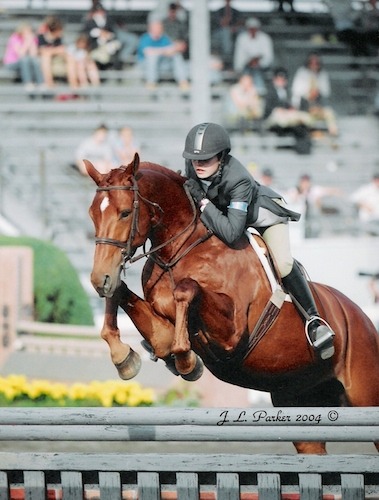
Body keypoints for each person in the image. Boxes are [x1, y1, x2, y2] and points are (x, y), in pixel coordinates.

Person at [183, 122, 335, 360]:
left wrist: (203, 202)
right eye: (194, 159)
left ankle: (315, 321)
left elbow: (233, 232)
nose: (198, 165)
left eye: (206, 159)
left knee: (283, 264)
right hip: (226, 216)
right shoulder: (193, 166)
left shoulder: (238, 179)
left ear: (221, 156)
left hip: (263, 218)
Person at [264, 67, 313, 155]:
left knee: (300, 126)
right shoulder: (270, 92)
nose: (281, 81)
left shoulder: (288, 92)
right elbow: (267, 109)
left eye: (283, 79)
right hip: (275, 120)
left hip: (288, 119)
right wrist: (278, 109)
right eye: (279, 79)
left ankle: (303, 148)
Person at [291, 53, 339, 137]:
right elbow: (296, 92)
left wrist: (317, 91)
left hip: (318, 106)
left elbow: (326, 92)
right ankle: (310, 135)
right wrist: (308, 93)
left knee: (329, 113)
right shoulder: (302, 73)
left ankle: (334, 134)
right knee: (305, 119)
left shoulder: (322, 74)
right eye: (311, 63)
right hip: (305, 106)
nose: (314, 65)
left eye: (316, 63)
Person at [137, 18, 189, 90]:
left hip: (162, 64)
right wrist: (164, 51)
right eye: (156, 28)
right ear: (150, 29)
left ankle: (183, 82)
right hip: (146, 64)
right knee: (152, 57)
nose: (158, 30)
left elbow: (172, 50)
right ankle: (151, 82)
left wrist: (171, 49)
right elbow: (148, 52)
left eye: (159, 28)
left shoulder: (164, 38)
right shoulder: (145, 38)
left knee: (176, 56)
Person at [285, 173, 341, 238]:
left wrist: (336, 191)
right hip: (299, 217)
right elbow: (289, 198)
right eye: (303, 182)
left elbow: (325, 191)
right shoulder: (294, 191)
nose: (305, 184)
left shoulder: (313, 190)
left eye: (307, 182)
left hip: (311, 215)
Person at [82, 3, 138, 69]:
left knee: (114, 50)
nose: (100, 13)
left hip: (108, 47)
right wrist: (98, 33)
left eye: (101, 11)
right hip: (95, 48)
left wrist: (107, 35)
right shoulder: (90, 23)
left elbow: (113, 33)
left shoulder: (109, 21)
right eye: (98, 11)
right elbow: (86, 35)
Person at [233, 17, 274, 96]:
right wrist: (246, 64)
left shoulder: (265, 38)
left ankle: (259, 91)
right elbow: (239, 56)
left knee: (256, 71)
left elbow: (268, 56)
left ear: (258, 29)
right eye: (250, 29)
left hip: (262, 66)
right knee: (247, 72)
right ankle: (247, 91)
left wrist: (258, 62)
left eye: (254, 29)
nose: (252, 31)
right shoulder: (242, 38)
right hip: (247, 65)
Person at [3, 22, 44, 91]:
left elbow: (33, 55)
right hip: (12, 63)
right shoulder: (15, 37)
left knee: (35, 60)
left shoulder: (32, 39)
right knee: (25, 59)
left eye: (30, 31)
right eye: (27, 31)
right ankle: (28, 83)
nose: (29, 33)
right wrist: (27, 42)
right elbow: (21, 54)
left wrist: (31, 42)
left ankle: (41, 83)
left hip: (27, 63)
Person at [37, 15, 76, 88]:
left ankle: (74, 85)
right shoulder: (41, 37)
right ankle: (49, 84)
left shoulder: (58, 39)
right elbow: (42, 51)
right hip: (46, 60)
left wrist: (52, 51)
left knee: (70, 57)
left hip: (57, 59)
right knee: (46, 57)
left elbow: (62, 49)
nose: (61, 33)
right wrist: (55, 50)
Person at [211, 0, 243, 69]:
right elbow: (222, 24)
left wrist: (234, 27)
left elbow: (240, 23)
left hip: (233, 31)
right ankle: (227, 54)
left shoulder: (235, 11)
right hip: (219, 33)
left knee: (242, 32)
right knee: (226, 32)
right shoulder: (219, 11)